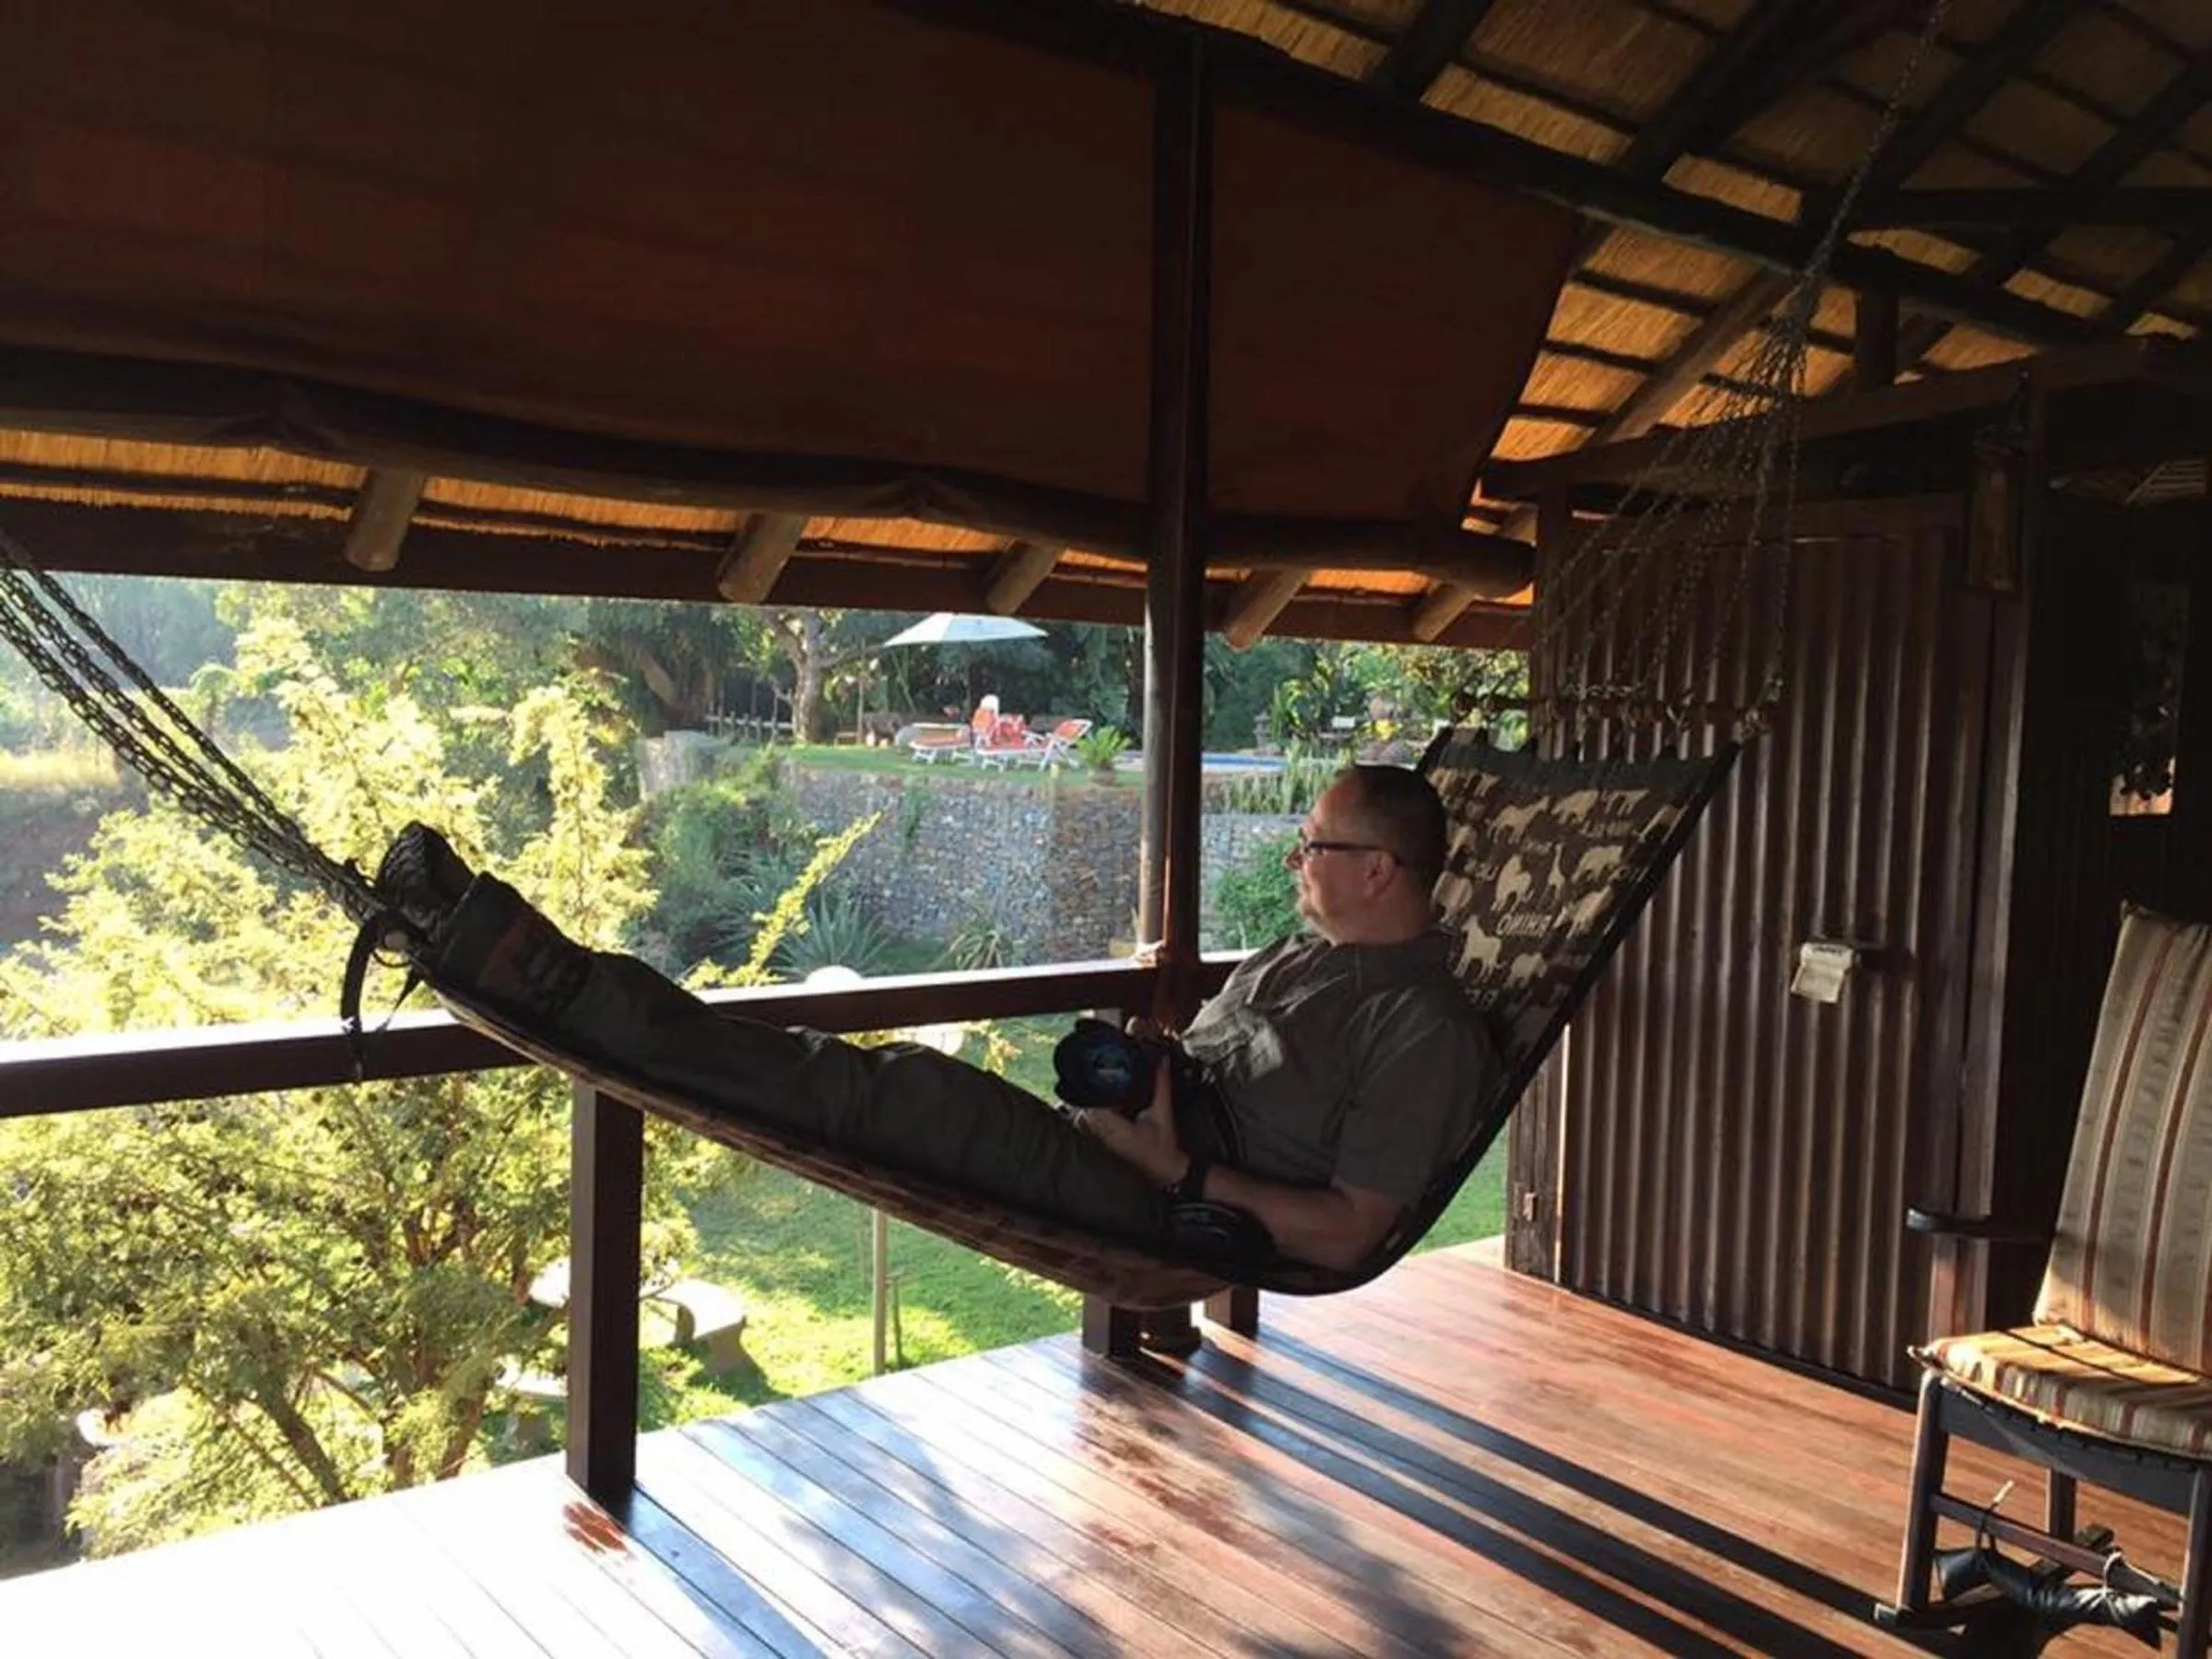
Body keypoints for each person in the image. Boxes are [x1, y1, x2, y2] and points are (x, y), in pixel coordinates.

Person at [374, 764, 1497, 1272]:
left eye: (1318, 845)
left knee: (876, 1090)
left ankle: (534, 971)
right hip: (1133, 1148)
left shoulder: (1422, 1027)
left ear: (1386, 869)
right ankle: (522, 960)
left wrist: (1177, 1176)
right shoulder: (1308, 951)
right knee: (867, 1085)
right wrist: (1145, 1078)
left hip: (1160, 1205)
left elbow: (1353, 1227)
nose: (1297, 859)